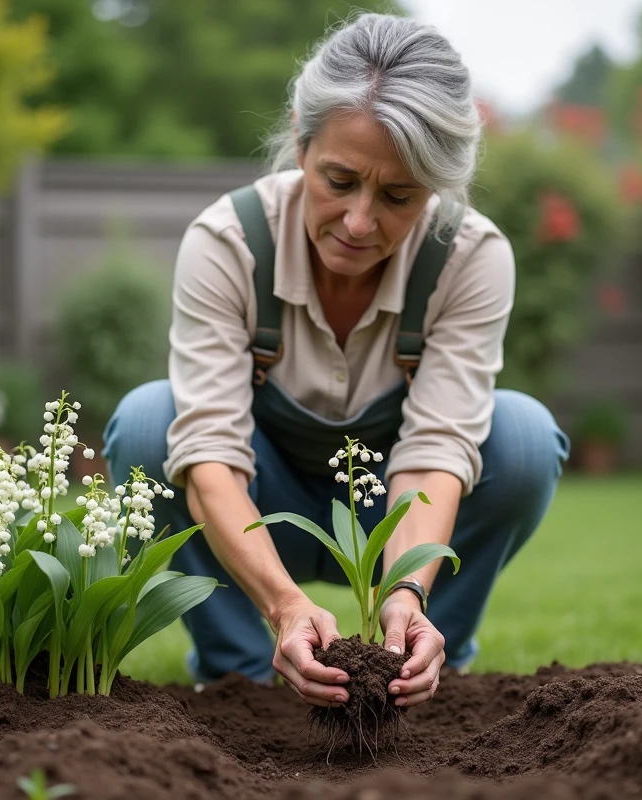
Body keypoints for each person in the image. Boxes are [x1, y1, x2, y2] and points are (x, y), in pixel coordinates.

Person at [103, 12, 570, 711]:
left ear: (437, 188)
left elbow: (437, 450)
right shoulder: (228, 243)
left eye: (398, 196)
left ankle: (416, 653)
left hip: (390, 502)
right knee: (147, 425)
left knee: (524, 438)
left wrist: (407, 588)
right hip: (265, 500)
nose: (358, 221)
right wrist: (286, 608)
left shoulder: (471, 258)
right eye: (340, 179)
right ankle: (241, 677)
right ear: (300, 138)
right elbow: (209, 456)